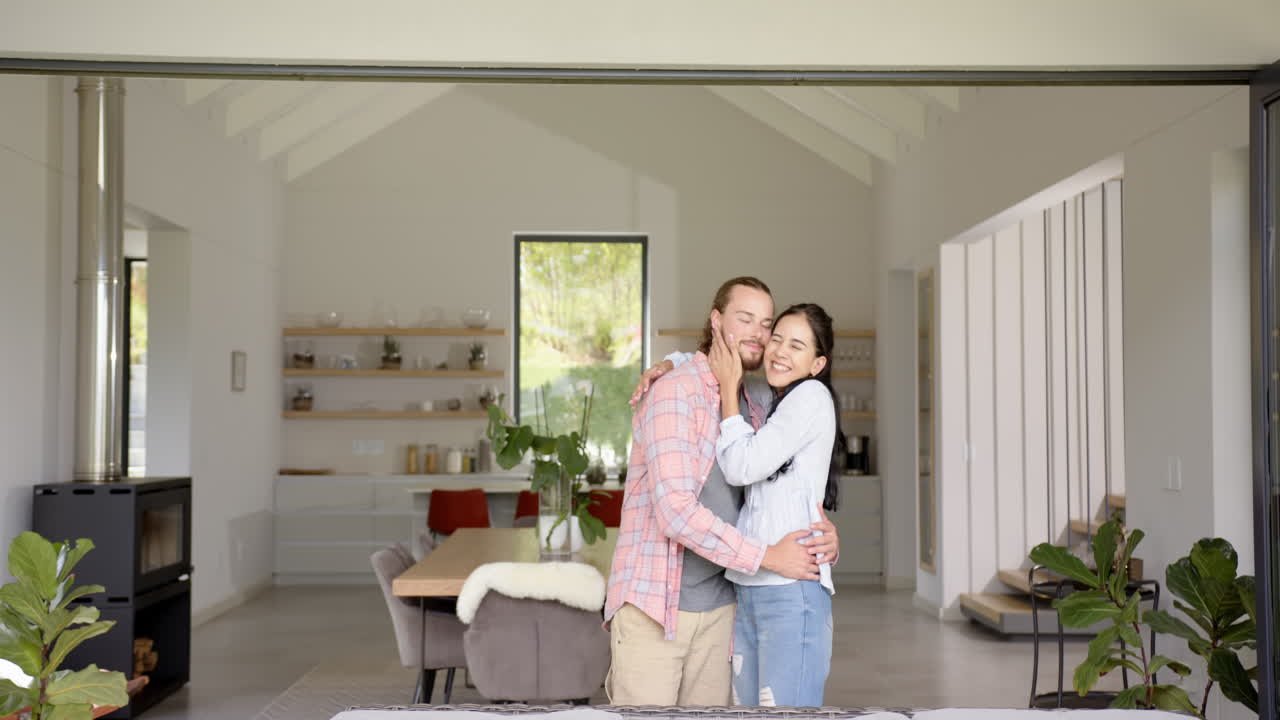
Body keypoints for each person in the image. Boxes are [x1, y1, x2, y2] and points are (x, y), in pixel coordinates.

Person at [604, 277, 840, 707]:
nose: (758, 334)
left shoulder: (757, 398)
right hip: (658, 603)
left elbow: (780, 487)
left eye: (765, 323)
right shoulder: (674, 392)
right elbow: (675, 512)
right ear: (717, 321)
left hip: (724, 606)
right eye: (744, 318)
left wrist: (820, 534)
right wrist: (768, 556)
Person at [707, 303, 845, 707]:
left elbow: (741, 465)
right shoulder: (774, 402)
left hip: (790, 593)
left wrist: (729, 391)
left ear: (817, 363)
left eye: (797, 345)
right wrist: (665, 365)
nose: (780, 351)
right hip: (751, 588)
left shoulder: (811, 396)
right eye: (778, 338)